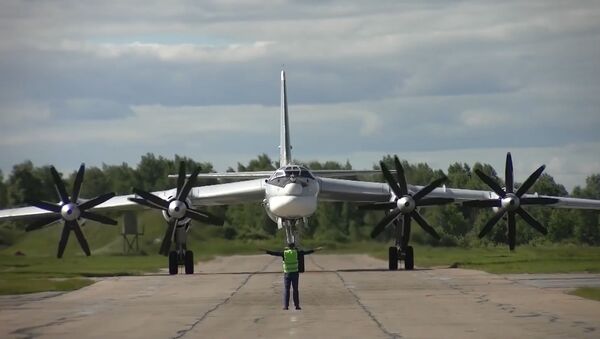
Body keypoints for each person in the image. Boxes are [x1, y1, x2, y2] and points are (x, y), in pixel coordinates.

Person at [264, 243, 319, 310]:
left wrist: (265, 251)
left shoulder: (284, 253)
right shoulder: (296, 253)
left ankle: (286, 306)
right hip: (295, 273)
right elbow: (306, 252)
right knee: (295, 290)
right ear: (294, 247)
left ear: (288, 247)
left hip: (287, 273)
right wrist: (316, 249)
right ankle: (297, 306)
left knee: (287, 290)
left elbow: (274, 253)